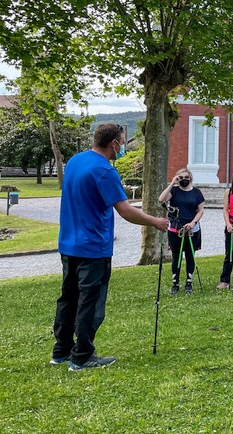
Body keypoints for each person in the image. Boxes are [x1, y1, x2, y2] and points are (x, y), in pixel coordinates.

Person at [52, 123, 169, 371]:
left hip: (68, 243)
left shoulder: (75, 161)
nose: (124, 146)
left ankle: (61, 351)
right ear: (114, 142)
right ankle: (82, 356)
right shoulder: (105, 171)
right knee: (90, 303)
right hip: (93, 247)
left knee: (68, 297)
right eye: (123, 141)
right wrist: (156, 222)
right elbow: (126, 211)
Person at [158, 167, 205, 295]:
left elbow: (200, 210)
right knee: (176, 255)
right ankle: (175, 283)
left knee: (190, 255)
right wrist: (172, 182)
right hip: (175, 228)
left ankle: (189, 282)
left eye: (186, 177)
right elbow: (161, 199)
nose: (184, 180)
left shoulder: (196, 192)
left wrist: (193, 222)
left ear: (190, 178)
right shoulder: (174, 191)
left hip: (192, 228)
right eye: (181, 177)